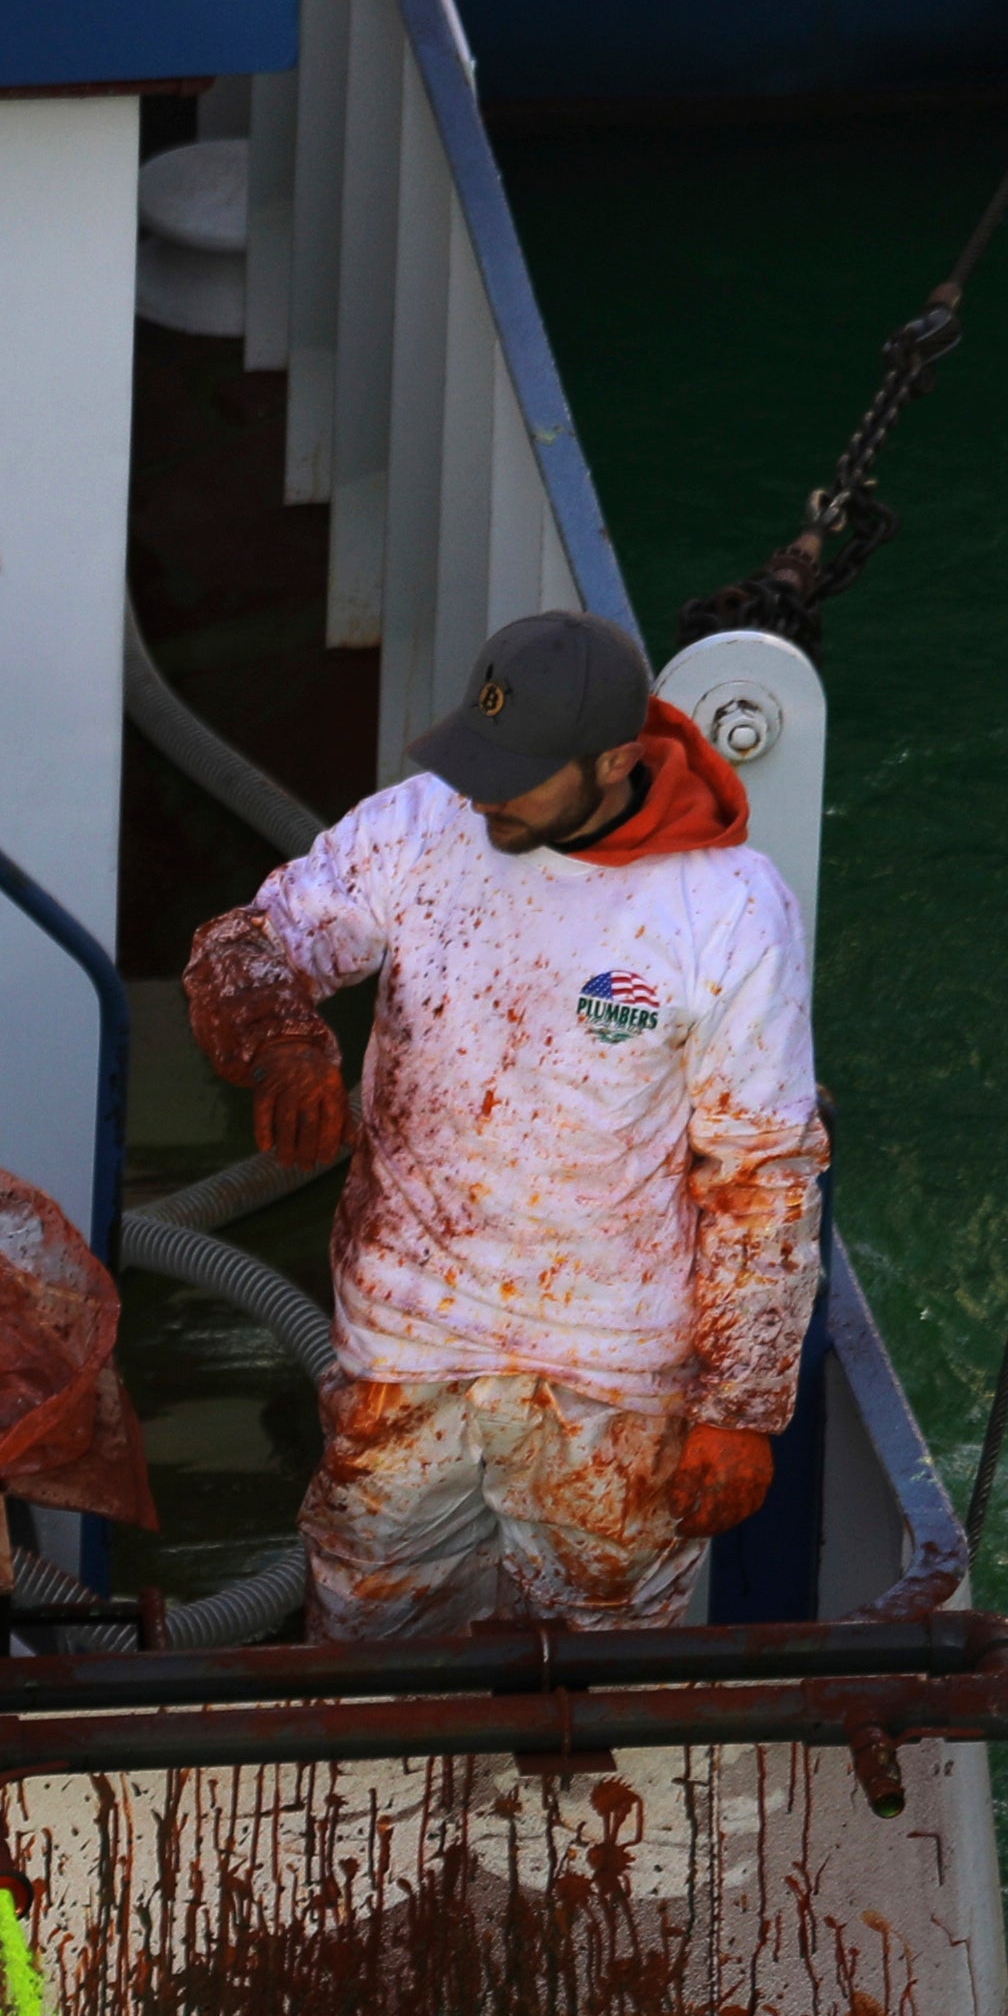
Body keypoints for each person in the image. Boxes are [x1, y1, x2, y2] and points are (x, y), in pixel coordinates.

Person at [182, 603, 824, 1637]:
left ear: (615, 761)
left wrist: (738, 1414)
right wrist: (285, 1045)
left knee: (596, 1692)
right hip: (404, 1345)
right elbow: (239, 947)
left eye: (515, 769)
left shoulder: (731, 908)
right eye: (476, 755)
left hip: (615, 1378)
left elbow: (762, 1174)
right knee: (365, 1638)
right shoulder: (421, 826)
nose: (481, 789)